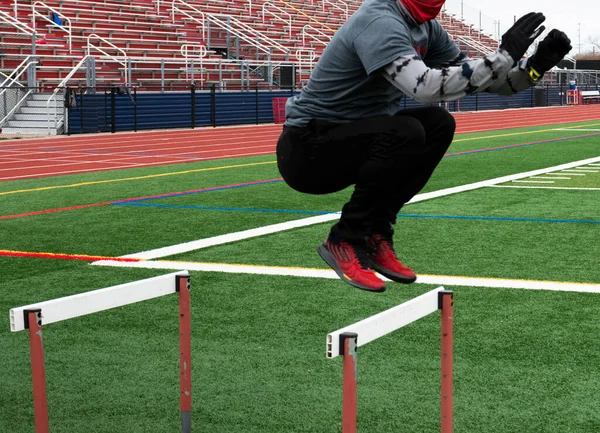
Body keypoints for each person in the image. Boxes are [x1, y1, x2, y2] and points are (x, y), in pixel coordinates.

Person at [276, 0, 572, 292]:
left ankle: (375, 232)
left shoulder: (426, 28)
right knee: (404, 131)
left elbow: (483, 80)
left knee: (439, 124)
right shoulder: (380, 21)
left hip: (352, 139)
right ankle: (345, 239)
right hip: (308, 150)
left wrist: (534, 66)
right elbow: (426, 87)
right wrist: (503, 55)